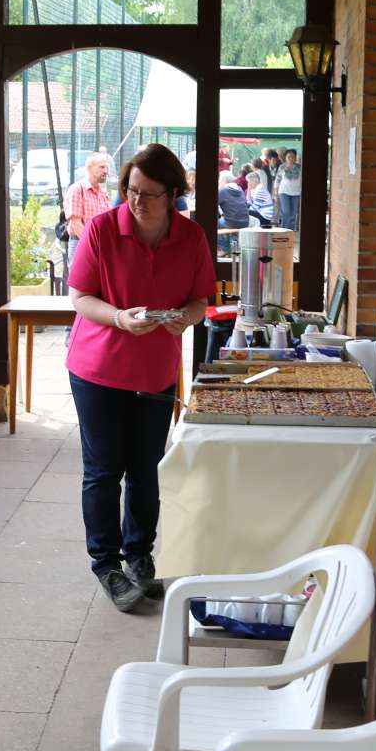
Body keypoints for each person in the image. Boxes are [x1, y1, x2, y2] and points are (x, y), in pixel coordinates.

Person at [65, 144, 215, 611]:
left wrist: (186, 319)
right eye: (131, 190)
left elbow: (199, 301)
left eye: (149, 194)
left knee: (147, 468)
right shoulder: (103, 229)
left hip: (155, 371)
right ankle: (106, 564)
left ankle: (140, 557)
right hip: (98, 369)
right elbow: (80, 296)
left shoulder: (190, 238)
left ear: (173, 194)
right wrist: (119, 318)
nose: (137, 202)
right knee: (104, 470)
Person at [65, 151, 113, 266]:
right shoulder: (77, 189)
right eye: (102, 167)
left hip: (101, 247)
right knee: (80, 283)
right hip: (81, 244)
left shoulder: (103, 193)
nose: (106, 171)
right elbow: (76, 224)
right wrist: (93, 245)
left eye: (106, 167)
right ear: (90, 168)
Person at [216, 170, 249, 253]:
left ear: (225, 181)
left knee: (212, 223)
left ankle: (223, 248)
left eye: (219, 180)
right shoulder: (240, 189)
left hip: (232, 222)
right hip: (245, 222)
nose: (219, 182)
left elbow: (212, 206)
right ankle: (233, 248)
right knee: (226, 221)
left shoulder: (223, 191)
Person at [278, 148, 302, 232]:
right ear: (286, 157)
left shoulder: (300, 167)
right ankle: (284, 229)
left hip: (296, 192)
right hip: (284, 192)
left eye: (293, 156)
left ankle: (290, 230)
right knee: (286, 211)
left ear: (295, 158)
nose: (291, 158)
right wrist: (274, 192)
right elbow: (278, 179)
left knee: (293, 213)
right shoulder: (282, 167)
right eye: (289, 156)